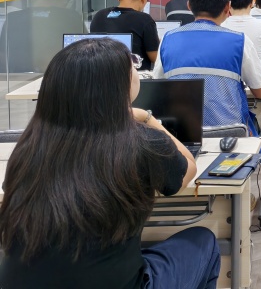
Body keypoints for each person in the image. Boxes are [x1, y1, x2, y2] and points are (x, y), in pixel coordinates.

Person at [0, 38, 219, 288]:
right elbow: (187, 169)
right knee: (204, 242)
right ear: (120, 85)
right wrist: (148, 119)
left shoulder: (29, 146)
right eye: (132, 65)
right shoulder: (142, 142)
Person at [153, 0, 261, 136]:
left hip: (182, 136)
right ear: (227, 8)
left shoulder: (168, 40)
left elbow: (157, 86)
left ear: (189, 5)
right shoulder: (240, 41)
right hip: (230, 136)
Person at [90, 0, 159, 70]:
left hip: (102, 74)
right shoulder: (144, 20)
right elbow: (155, 58)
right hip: (132, 76)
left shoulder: (99, 16)